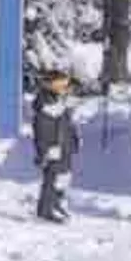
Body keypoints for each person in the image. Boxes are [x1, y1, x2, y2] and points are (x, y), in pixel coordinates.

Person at [31, 69, 79, 223]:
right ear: (51, 84)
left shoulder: (60, 100)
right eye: (61, 84)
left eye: (65, 84)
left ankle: (56, 203)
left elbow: (67, 125)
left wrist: (74, 140)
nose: (65, 87)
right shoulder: (46, 103)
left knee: (63, 177)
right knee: (52, 178)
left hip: (64, 145)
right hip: (53, 147)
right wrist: (44, 150)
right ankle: (46, 209)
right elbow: (42, 130)